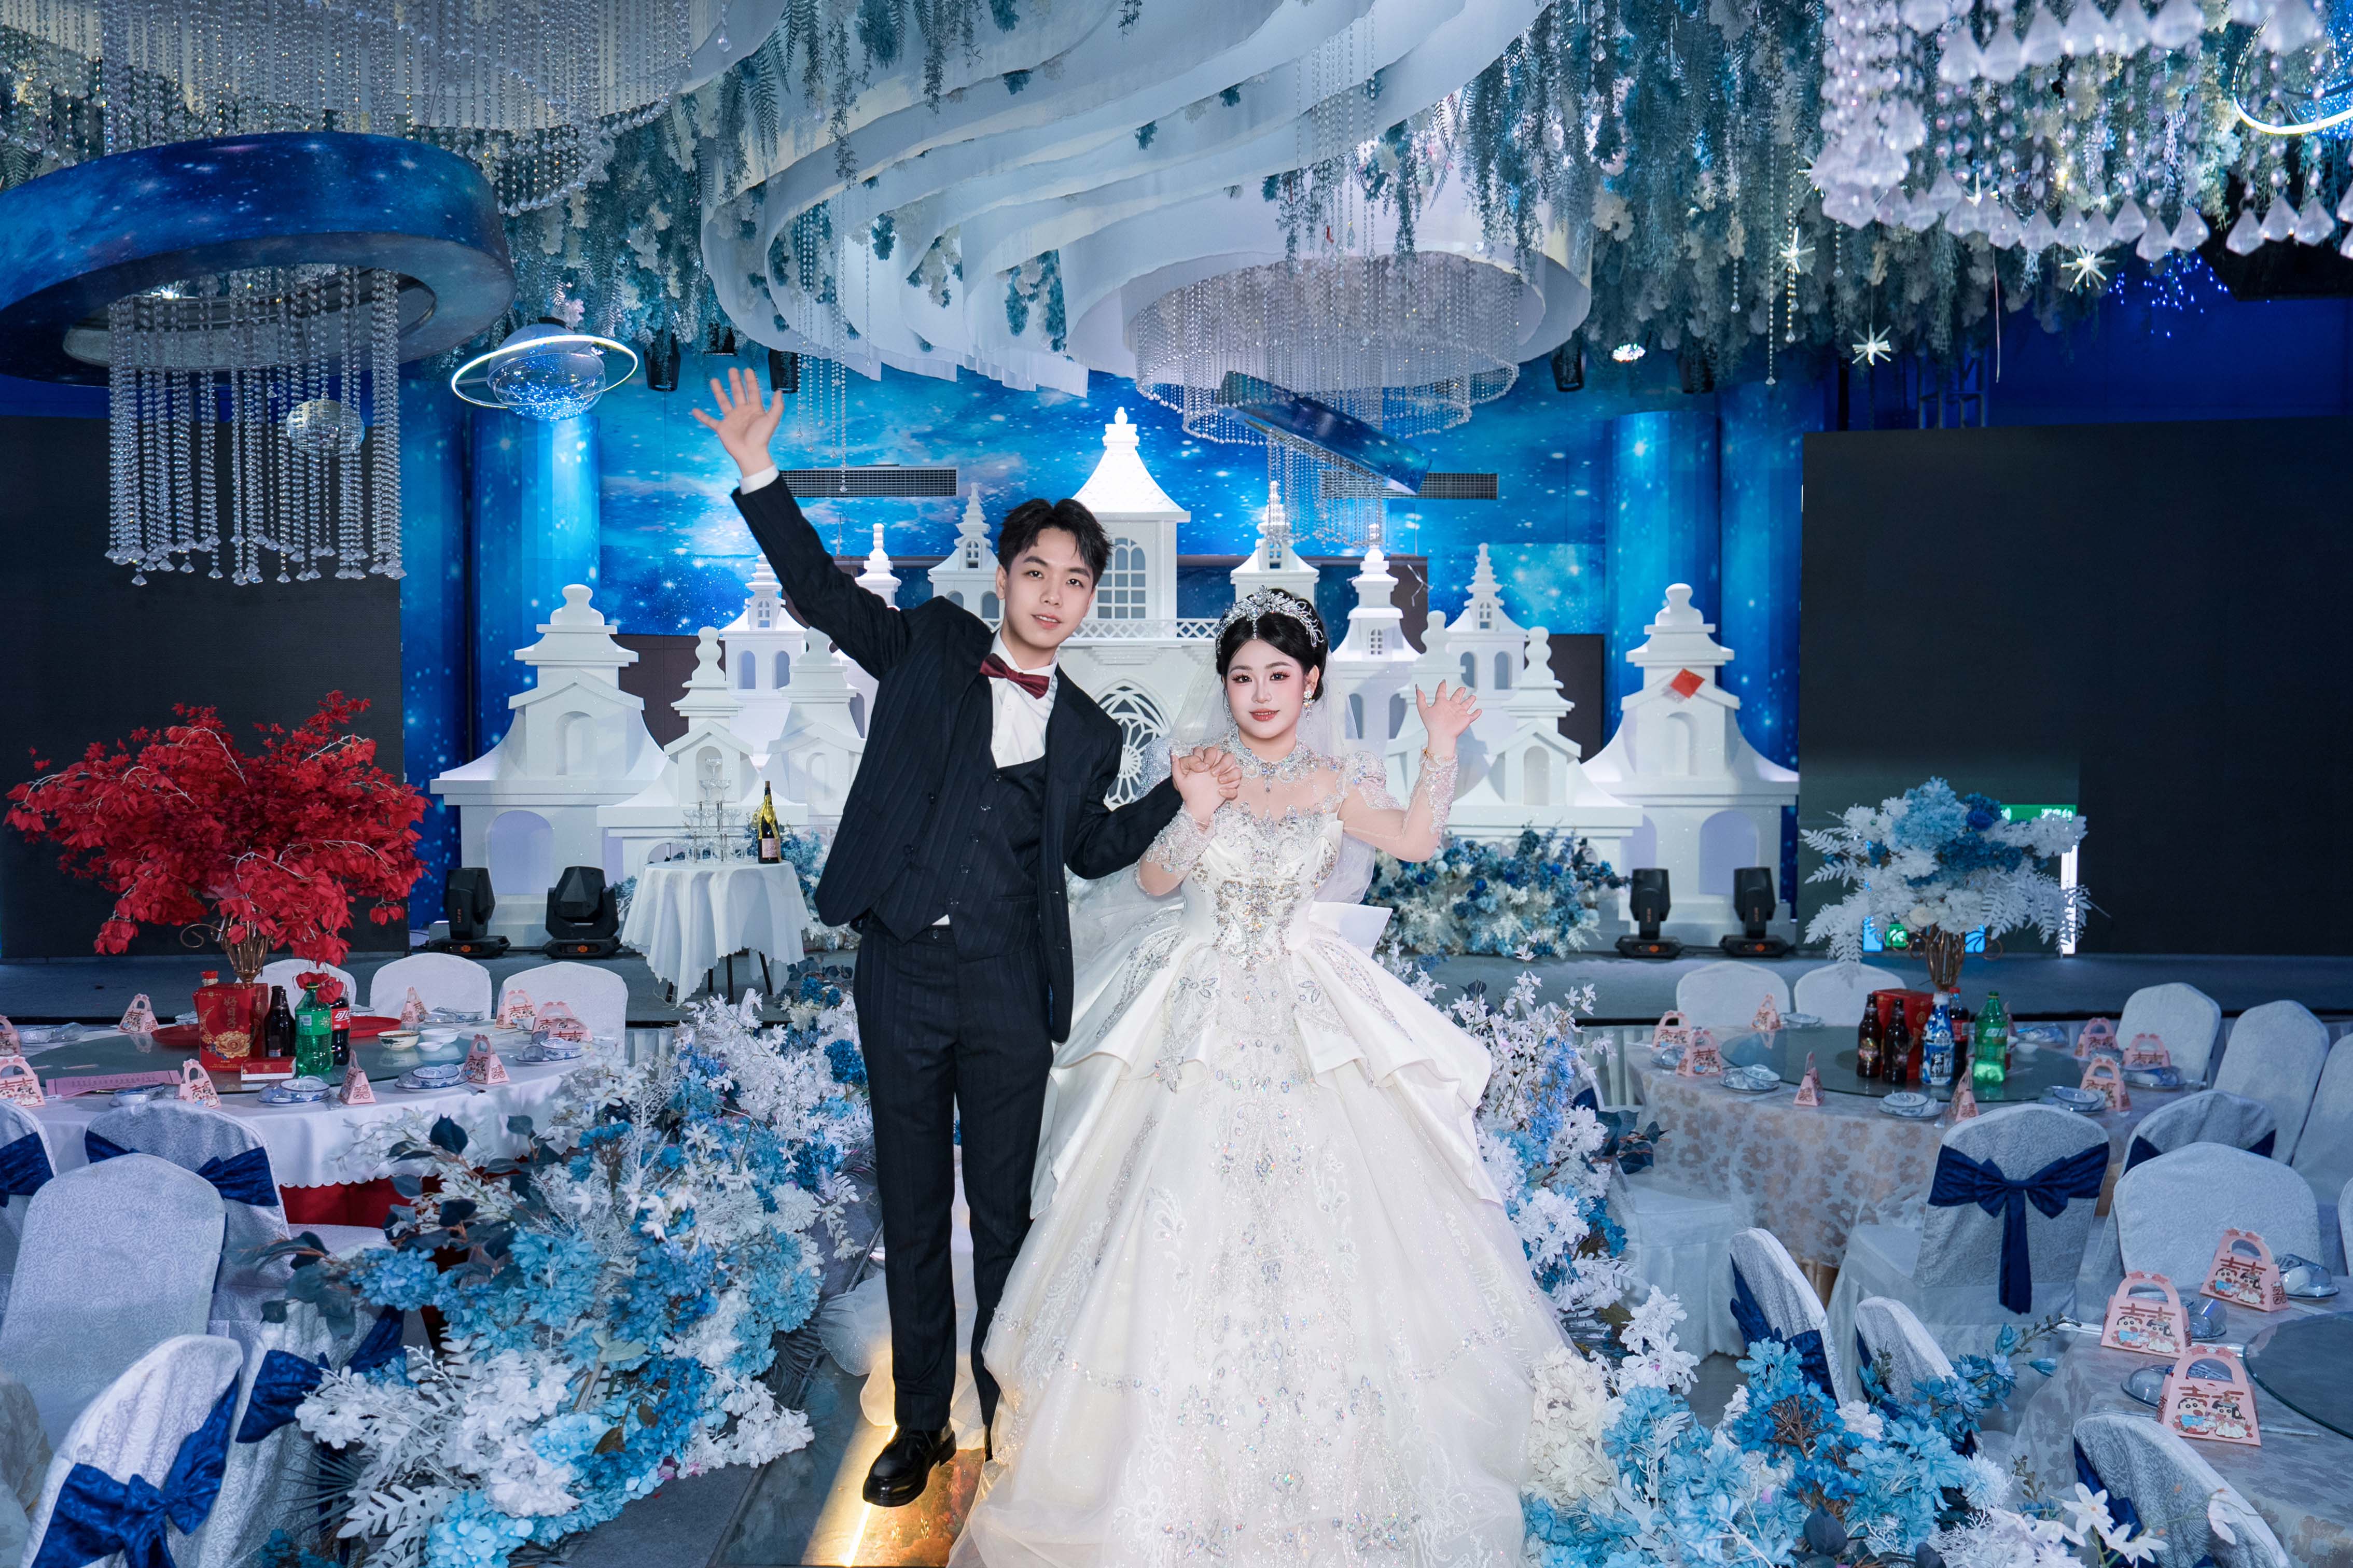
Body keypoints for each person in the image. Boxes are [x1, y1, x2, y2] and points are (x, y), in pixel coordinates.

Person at [697, 368, 1242, 1507]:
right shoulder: (935, 644)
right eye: (1036, 572)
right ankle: (920, 1428)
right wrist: (758, 473)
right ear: (1004, 578)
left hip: (1008, 985)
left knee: (1005, 1219)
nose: (1054, 595)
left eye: (1075, 581)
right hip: (901, 967)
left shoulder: (1089, 729)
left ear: (1090, 600)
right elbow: (821, 594)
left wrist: (1179, 799)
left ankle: (1008, 1419)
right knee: (909, 1208)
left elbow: (1091, 850)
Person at [951, 587, 1567, 1568]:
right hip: (1194, 1007)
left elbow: (1414, 840)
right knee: (1167, 1205)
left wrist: (1440, 747)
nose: (1260, 692)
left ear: (1311, 681)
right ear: (1225, 687)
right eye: (1242, 676)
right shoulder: (1198, 763)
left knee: (1350, 1210)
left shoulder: (1335, 778)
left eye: (1279, 674)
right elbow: (1152, 882)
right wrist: (1194, 813)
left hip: (1307, 1006)